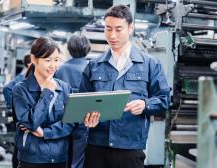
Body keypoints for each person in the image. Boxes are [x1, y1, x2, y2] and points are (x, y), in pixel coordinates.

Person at [79, 5, 171, 168]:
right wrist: (86, 118)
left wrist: (145, 104)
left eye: (118, 29)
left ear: (130, 28)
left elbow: (164, 100)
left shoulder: (150, 65)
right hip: (97, 146)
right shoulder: (93, 66)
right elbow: (81, 103)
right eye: (108, 29)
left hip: (130, 147)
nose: (112, 35)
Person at [12, 37, 100, 168]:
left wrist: (45, 133)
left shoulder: (64, 88)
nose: (53, 65)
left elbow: (70, 123)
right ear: (34, 60)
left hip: (60, 158)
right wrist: (47, 92)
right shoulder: (21, 89)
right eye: (48, 60)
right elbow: (31, 123)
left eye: (57, 60)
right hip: (32, 159)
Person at [55, 34, 90, 168]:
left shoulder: (60, 69)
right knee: (79, 159)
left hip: (62, 120)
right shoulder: (91, 68)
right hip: (84, 120)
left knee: (63, 156)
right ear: (87, 48)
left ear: (69, 49)